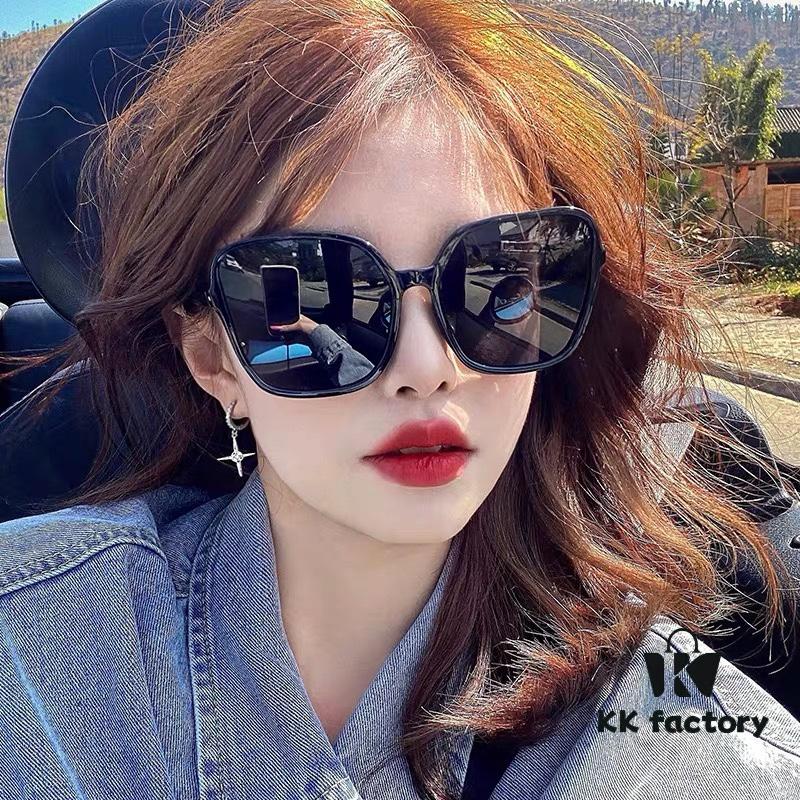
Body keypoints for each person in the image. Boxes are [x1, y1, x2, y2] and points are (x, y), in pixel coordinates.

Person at [0, 1, 799, 798]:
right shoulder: (32, 646)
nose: (427, 365)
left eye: (497, 286)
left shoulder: (681, 738)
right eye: (314, 298)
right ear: (213, 357)